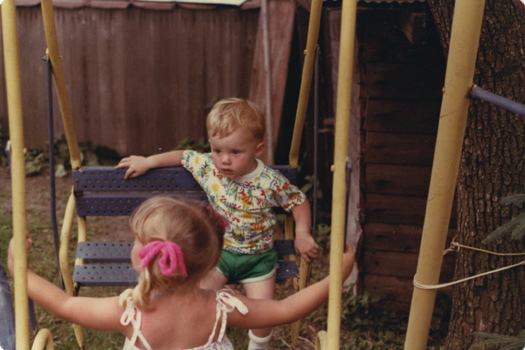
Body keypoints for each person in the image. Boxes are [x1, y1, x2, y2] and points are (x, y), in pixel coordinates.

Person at [8, 197, 355, 350]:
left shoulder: (131, 313)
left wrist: (17, 268)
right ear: (207, 261)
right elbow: (285, 310)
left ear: (143, 256)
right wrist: (334, 277)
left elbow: (64, 305)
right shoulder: (222, 307)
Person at [116, 97, 319, 349]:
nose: (224, 160)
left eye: (236, 152)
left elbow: (297, 201)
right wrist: (148, 161)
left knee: (262, 315)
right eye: (218, 150)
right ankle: (198, 340)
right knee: (193, 302)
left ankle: (259, 345)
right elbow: (183, 156)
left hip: (258, 260)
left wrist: (302, 232)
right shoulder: (209, 167)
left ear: (257, 149)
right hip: (217, 257)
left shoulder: (270, 181)